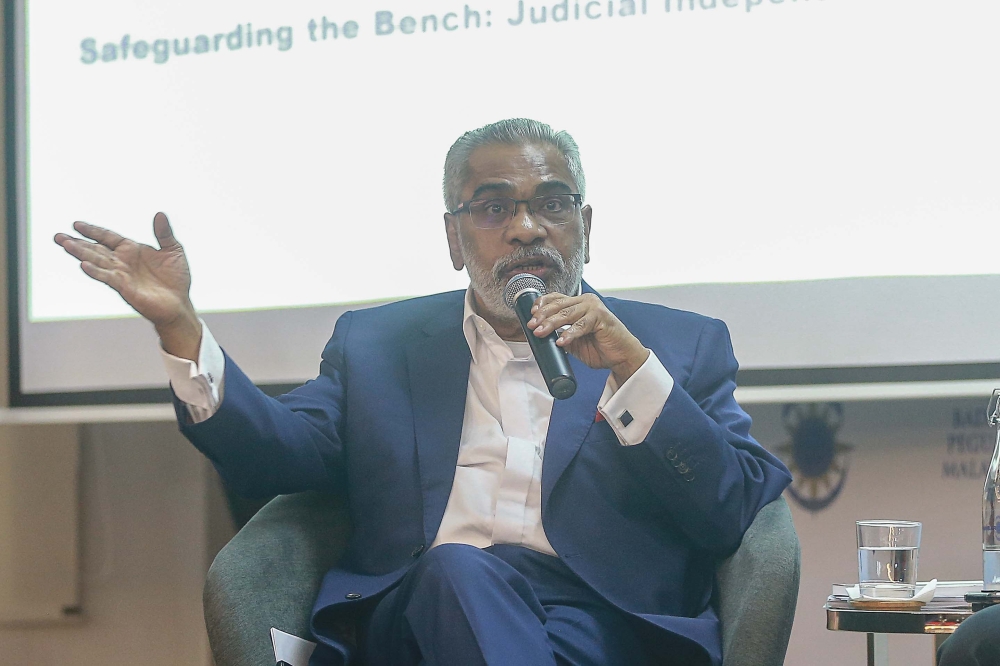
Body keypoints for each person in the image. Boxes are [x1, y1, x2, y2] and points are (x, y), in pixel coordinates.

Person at [54, 118, 791, 666]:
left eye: (553, 203)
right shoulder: (376, 345)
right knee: (456, 571)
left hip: (600, 627)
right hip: (416, 618)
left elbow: (732, 511)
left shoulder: (677, 342)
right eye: (494, 207)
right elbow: (276, 457)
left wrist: (632, 369)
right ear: (453, 238)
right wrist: (183, 331)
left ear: (585, 227)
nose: (528, 227)